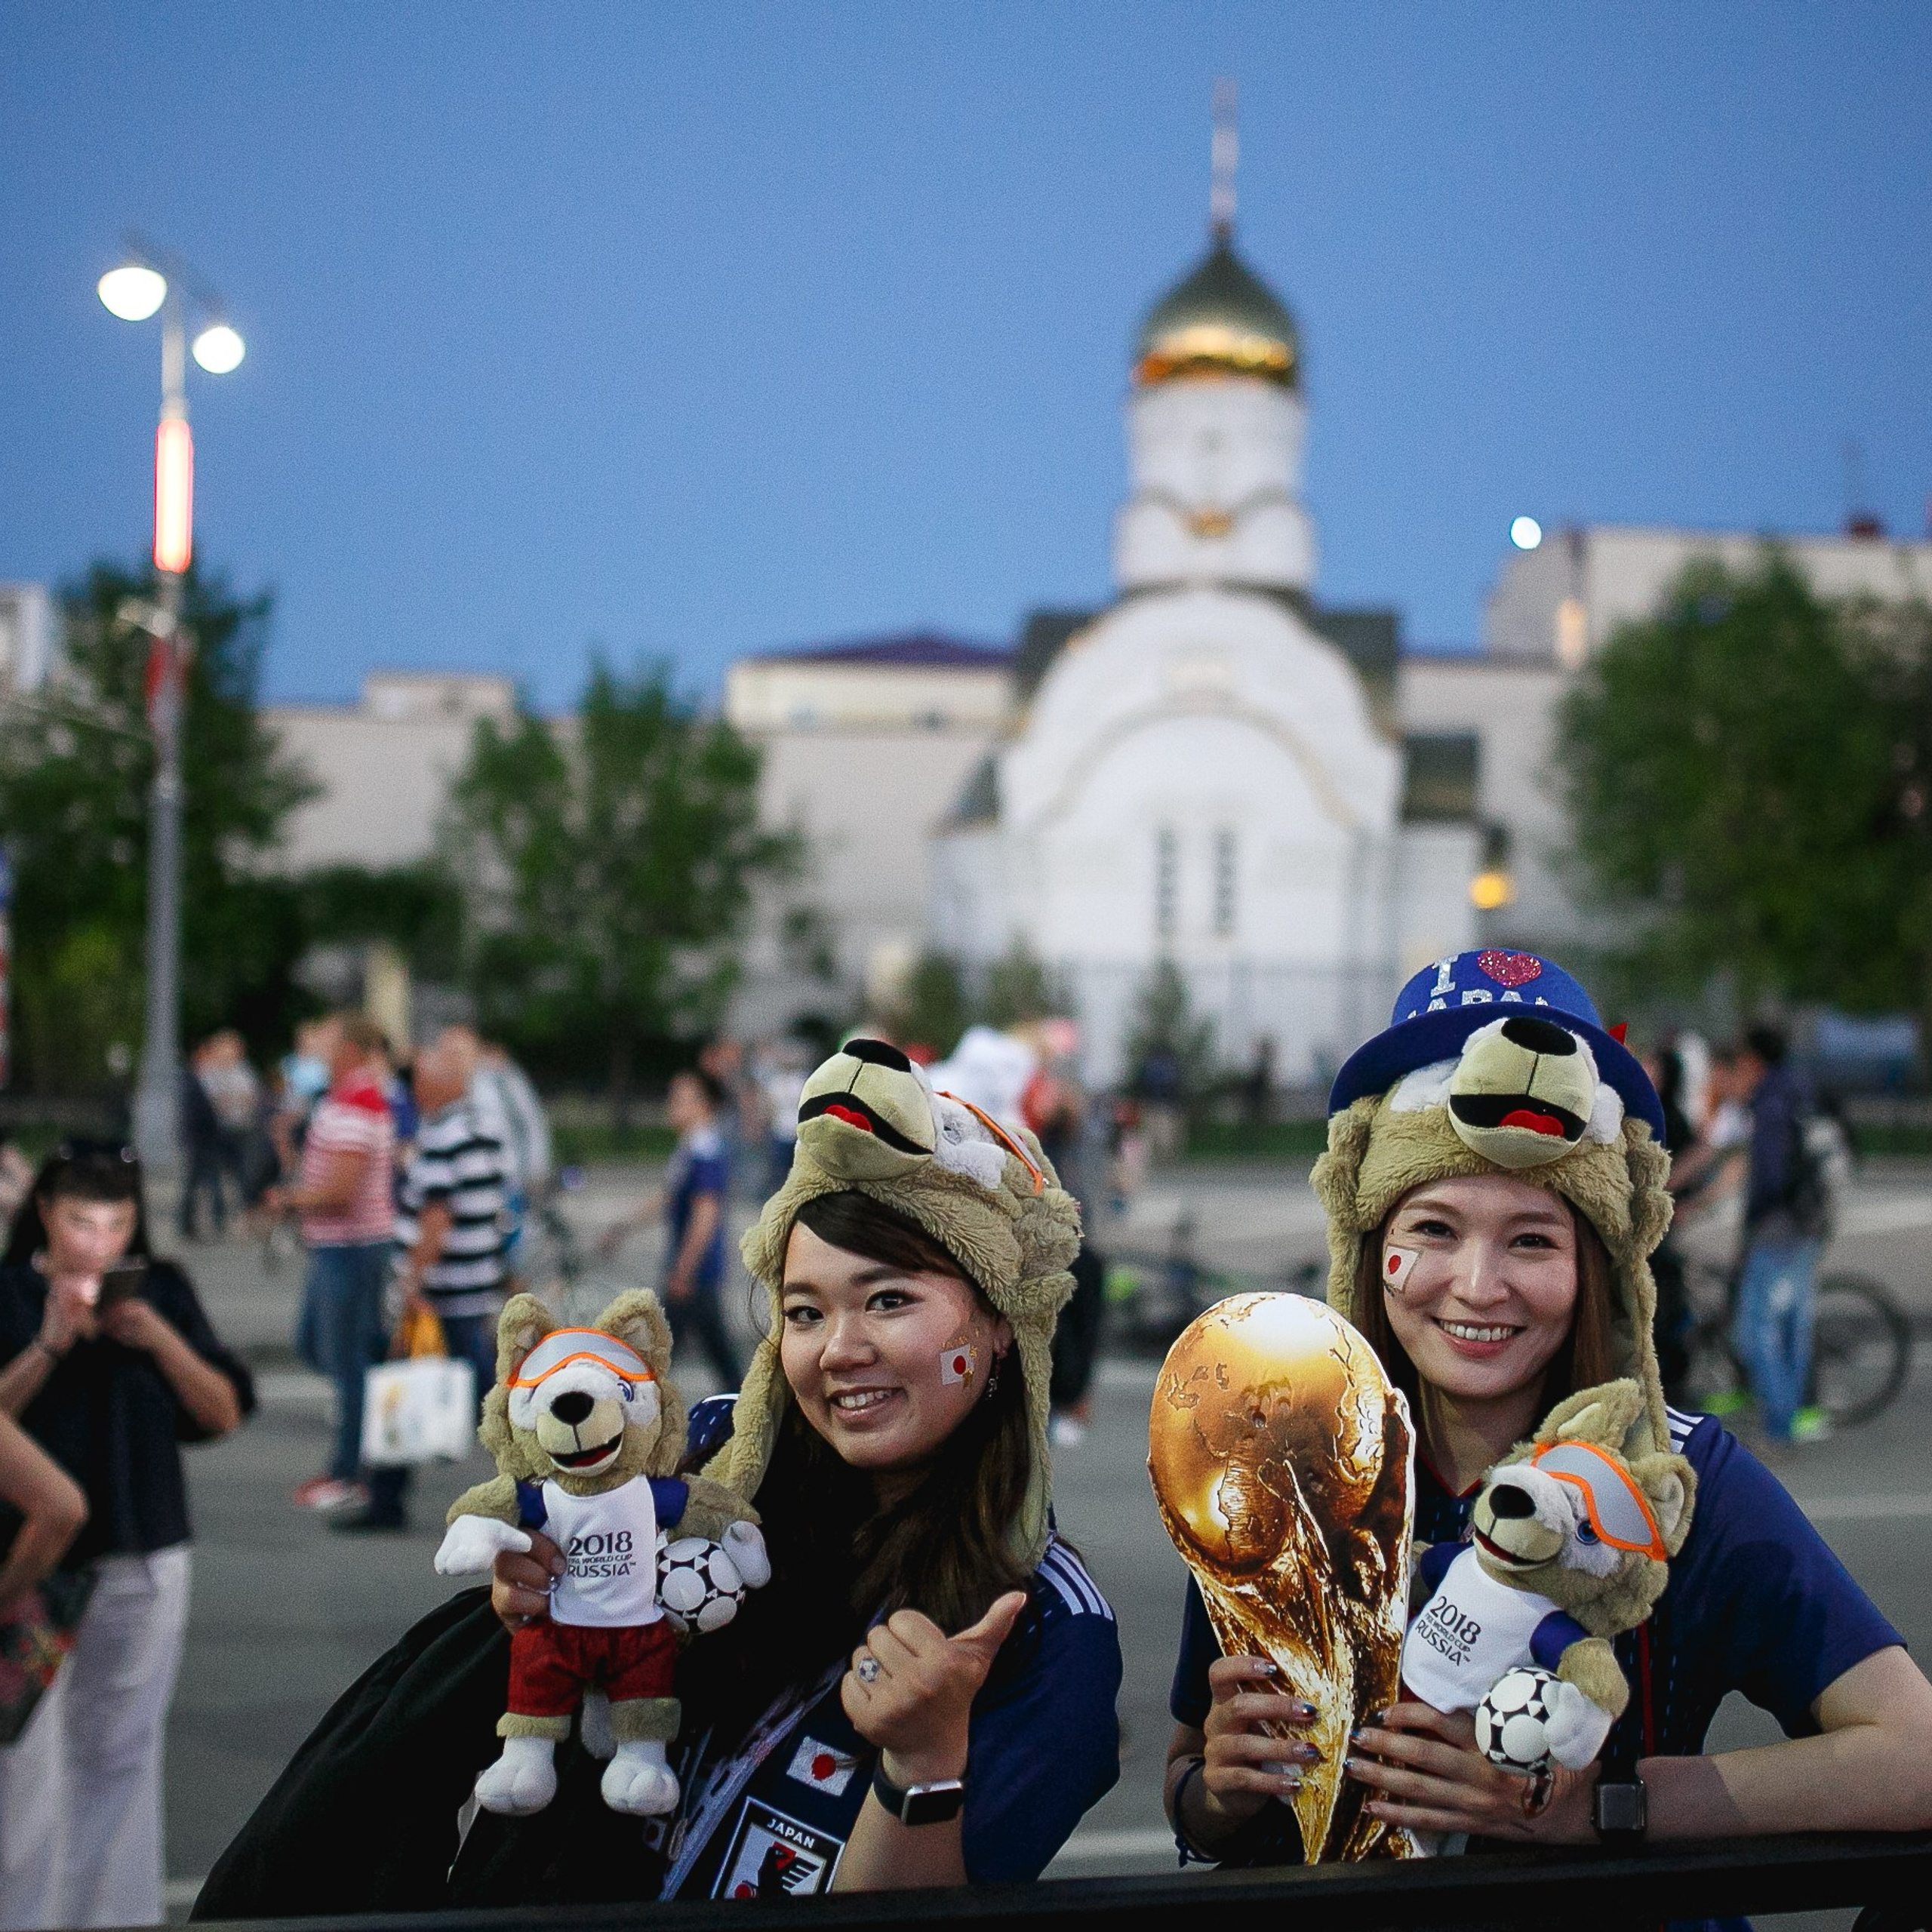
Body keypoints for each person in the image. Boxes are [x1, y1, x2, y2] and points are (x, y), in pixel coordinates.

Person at [192, 1038, 1121, 1915]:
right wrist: (535, 1605)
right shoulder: (709, 1454)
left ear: (1000, 1321)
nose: (839, 1350)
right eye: (804, 1311)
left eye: (888, 1299)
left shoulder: (1046, 1624)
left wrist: (921, 1766)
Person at [1164, 952, 1932, 1884]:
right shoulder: (1283, 1465)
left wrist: (1606, 1808)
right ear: (1368, 1246)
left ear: (1596, 1269)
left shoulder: (1679, 1479)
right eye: (1433, 1228)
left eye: (1531, 1239)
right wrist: (1221, 1791)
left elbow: (1914, 1754)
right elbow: (1191, 1785)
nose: (1478, 1286)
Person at [0, 1140, 252, 1929]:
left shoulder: (161, 1290)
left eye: (117, 1223)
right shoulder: (10, 1291)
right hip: (33, 1566)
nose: (100, 1243)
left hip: (143, 1550)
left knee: (121, 1755)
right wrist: (49, 1342)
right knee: (23, 1763)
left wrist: (157, 1338)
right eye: (82, 1222)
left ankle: (111, 1917)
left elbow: (221, 1411)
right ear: (46, 1214)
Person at [346, 1042, 513, 1534]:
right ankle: (387, 1496)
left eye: (417, 1080)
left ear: (438, 1086)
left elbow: (436, 1221)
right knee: (481, 1396)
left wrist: (411, 1285)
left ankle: (387, 1502)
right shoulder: (484, 1130)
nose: (412, 1089)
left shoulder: (442, 1137)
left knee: (406, 1389)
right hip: (471, 1287)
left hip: (438, 1295)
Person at [266, 1014, 398, 1512]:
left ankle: (351, 1470)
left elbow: (341, 1192)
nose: (316, 1048)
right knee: (328, 1347)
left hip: (350, 1248)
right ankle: (361, 1455)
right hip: (343, 1247)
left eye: (325, 1040)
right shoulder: (346, 1098)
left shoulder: (357, 1102)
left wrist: (289, 1199)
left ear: (348, 1049)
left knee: (348, 1359)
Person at [599, 1067, 740, 1391]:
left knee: (664, 1350)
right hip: (693, 1271)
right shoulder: (691, 1147)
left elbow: (706, 1214)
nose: (672, 1106)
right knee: (702, 1349)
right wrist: (623, 1227)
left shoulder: (705, 1151)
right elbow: (669, 1197)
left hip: (697, 1271)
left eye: (681, 1100)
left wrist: (684, 1270)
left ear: (704, 1105)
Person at [1730, 1023, 1828, 1445]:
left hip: (1777, 1231)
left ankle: (1779, 1425)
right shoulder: (1800, 1092)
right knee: (1792, 1330)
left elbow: (1770, 1177)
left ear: (1754, 1061)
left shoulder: (1770, 1104)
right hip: (1808, 1224)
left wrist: (1752, 1221)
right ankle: (1789, 1419)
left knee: (1755, 1331)